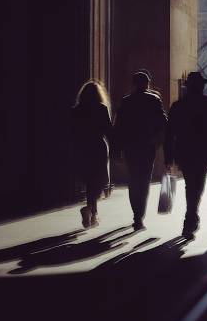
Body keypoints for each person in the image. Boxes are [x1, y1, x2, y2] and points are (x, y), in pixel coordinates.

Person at [165, 72, 207, 240]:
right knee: (198, 185)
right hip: (204, 152)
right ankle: (190, 218)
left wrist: (168, 156)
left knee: (191, 185)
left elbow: (169, 134)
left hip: (184, 152)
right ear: (201, 86)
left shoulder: (178, 106)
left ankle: (191, 217)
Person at [114, 69, 167, 230]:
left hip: (130, 147)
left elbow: (119, 127)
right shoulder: (154, 100)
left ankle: (136, 212)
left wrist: (117, 149)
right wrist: (158, 141)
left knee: (133, 179)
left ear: (133, 84)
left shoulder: (126, 101)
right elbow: (163, 122)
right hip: (147, 146)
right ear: (147, 83)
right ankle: (139, 216)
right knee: (144, 180)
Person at [70, 80, 114, 229]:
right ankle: (91, 210)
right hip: (98, 147)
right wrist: (116, 147)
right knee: (98, 181)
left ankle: (92, 212)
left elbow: (72, 132)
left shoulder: (77, 110)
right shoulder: (101, 108)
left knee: (89, 181)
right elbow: (108, 130)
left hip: (82, 148)